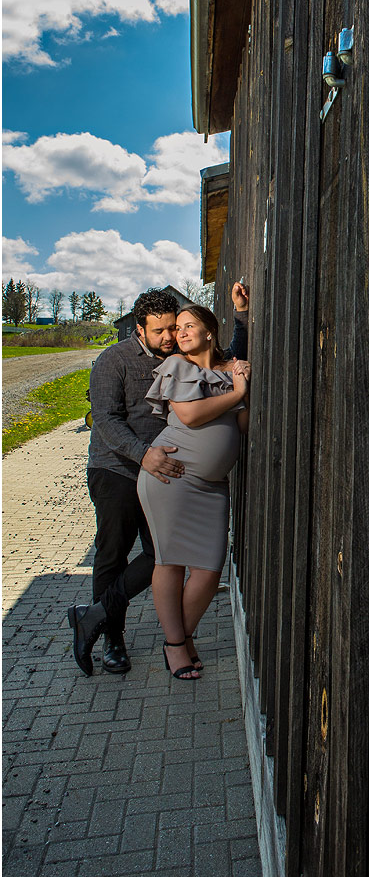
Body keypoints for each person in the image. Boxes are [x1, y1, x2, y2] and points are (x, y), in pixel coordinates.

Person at [68, 283, 251, 676]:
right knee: (113, 553)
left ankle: (99, 614)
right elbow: (105, 418)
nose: (169, 337)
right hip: (117, 468)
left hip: (170, 471)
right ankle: (111, 638)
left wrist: (240, 317)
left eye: (174, 328)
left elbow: (223, 352)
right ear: (139, 328)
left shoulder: (187, 356)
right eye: (161, 331)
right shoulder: (113, 361)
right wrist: (143, 454)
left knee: (158, 557)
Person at [137, 305, 250, 679]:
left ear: (209, 332)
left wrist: (243, 380)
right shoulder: (178, 367)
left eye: (188, 326)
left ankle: (180, 639)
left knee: (208, 568)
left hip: (212, 486)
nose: (180, 333)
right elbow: (189, 415)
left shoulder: (229, 371)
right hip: (171, 477)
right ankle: (176, 645)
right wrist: (237, 393)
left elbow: (245, 424)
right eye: (176, 328)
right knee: (169, 561)